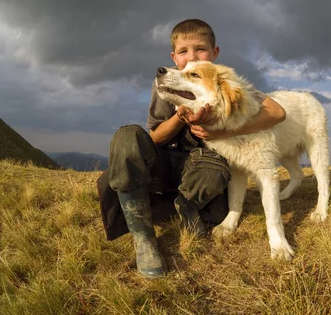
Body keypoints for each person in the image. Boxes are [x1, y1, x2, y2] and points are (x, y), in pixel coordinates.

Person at [96, 19, 286, 278]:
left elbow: (277, 112)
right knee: (128, 136)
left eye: (200, 50)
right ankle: (143, 239)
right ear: (174, 57)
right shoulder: (166, 82)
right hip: (165, 159)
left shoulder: (222, 78)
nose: (192, 57)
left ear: (214, 53)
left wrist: (220, 131)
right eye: (184, 52)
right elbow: (155, 136)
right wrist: (181, 116)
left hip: (199, 166)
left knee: (216, 180)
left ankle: (183, 205)